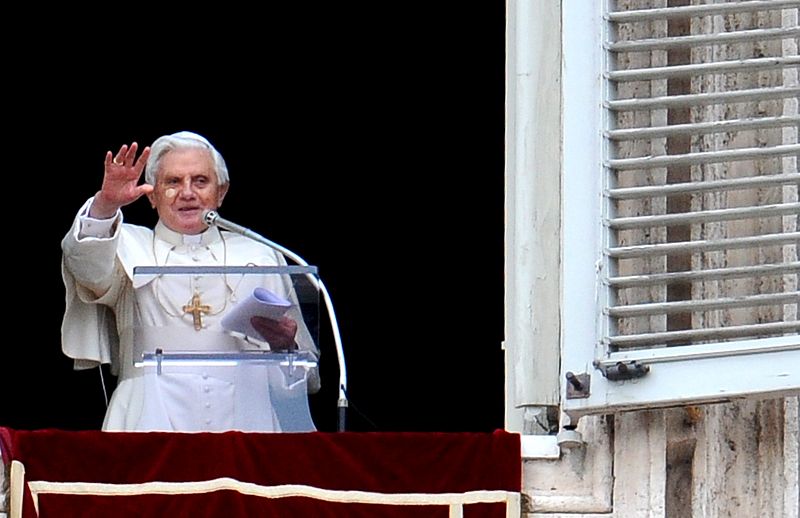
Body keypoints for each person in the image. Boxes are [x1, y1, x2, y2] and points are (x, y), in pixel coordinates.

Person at [61, 131, 320, 432]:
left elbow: (306, 378)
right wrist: (105, 206)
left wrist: (285, 348)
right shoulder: (124, 246)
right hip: (146, 423)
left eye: (200, 181)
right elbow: (85, 265)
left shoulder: (260, 256)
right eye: (173, 182)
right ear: (152, 195)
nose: (187, 192)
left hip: (248, 423)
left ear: (221, 192)